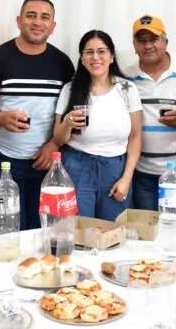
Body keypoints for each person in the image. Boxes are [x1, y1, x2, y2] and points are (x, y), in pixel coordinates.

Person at [0, 0, 74, 230]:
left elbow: (68, 117)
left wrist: (54, 145)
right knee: (10, 232)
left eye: (44, 17)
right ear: (19, 21)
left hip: (47, 162)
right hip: (4, 163)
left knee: (44, 231)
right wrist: (0, 118)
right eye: (31, 16)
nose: (37, 22)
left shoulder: (62, 63)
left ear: (53, 26)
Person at [52, 30, 142, 220]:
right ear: (82, 58)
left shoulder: (127, 89)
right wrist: (67, 123)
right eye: (89, 52)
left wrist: (126, 178)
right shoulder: (70, 89)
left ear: (111, 57)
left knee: (114, 229)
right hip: (76, 166)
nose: (95, 57)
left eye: (101, 51)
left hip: (116, 168)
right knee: (78, 228)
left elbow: (135, 136)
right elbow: (58, 139)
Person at [124, 15, 176, 227]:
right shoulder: (126, 77)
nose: (148, 45)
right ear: (134, 46)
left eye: (154, 39)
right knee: (146, 234)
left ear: (166, 42)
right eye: (142, 40)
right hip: (143, 172)